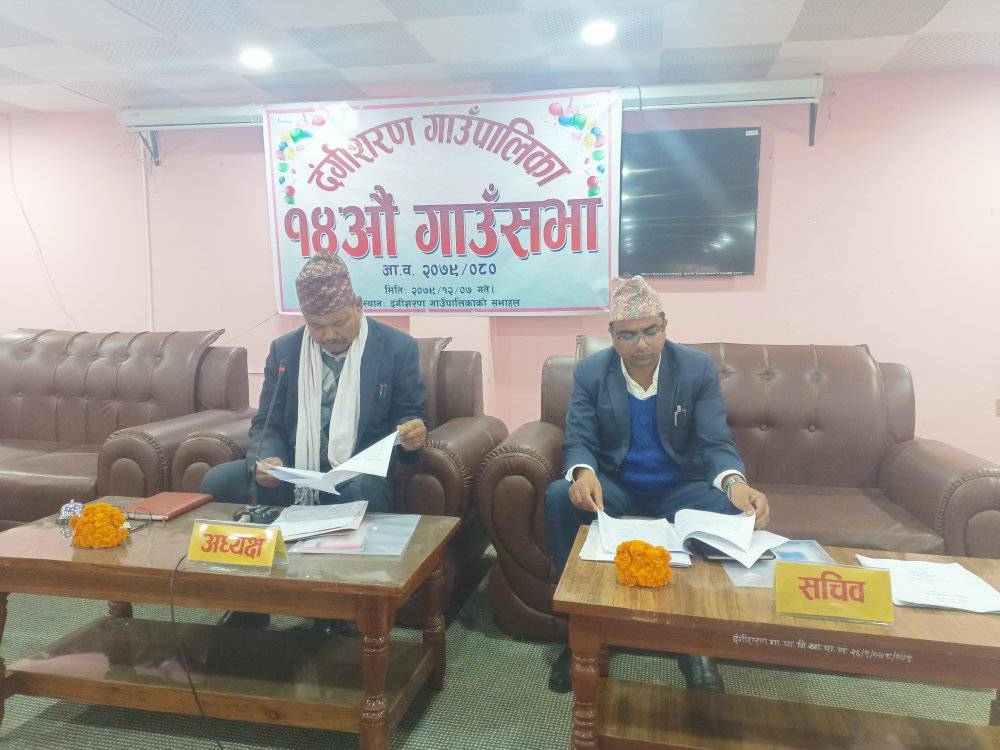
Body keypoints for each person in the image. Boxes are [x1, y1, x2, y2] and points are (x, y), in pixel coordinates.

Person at [544, 275, 769, 693]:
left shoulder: (696, 368)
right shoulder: (591, 372)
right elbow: (579, 439)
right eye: (628, 335)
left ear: (665, 325)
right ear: (612, 334)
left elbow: (715, 441)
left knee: (733, 509)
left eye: (651, 331)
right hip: (617, 486)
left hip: (679, 487)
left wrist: (735, 484)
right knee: (561, 496)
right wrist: (583, 472)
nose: (642, 344)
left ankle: (696, 643)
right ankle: (581, 632)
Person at [201, 252, 428, 629]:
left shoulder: (396, 348)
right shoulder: (285, 351)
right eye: (317, 326)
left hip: (355, 470)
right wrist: (267, 460)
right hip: (295, 471)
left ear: (358, 306)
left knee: (361, 488)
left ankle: (342, 613)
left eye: (338, 322)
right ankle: (247, 602)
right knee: (219, 481)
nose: (329, 335)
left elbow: (409, 412)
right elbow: (266, 422)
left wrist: (412, 431)